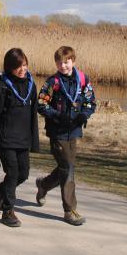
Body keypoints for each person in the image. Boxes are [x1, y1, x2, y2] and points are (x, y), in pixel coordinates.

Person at [35, 46, 96, 226]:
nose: (63, 66)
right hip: (57, 132)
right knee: (68, 168)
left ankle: (44, 185)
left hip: (74, 131)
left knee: (65, 167)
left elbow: (90, 101)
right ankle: (69, 211)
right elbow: (41, 104)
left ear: (73, 61)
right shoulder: (52, 82)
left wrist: (85, 114)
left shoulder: (83, 80)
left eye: (66, 62)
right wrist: (57, 115)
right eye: (59, 63)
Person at [0, 48, 40, 227]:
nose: (22, 69)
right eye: (18, 66)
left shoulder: (32, 85)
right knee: (13, 173)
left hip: (23, 139)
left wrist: (34, 142)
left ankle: (0, 190)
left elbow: (33, 117)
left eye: (24, 65)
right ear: (9, 67)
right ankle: (8, 211)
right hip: (6, 140)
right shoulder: (2, 87)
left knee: (23, 174)